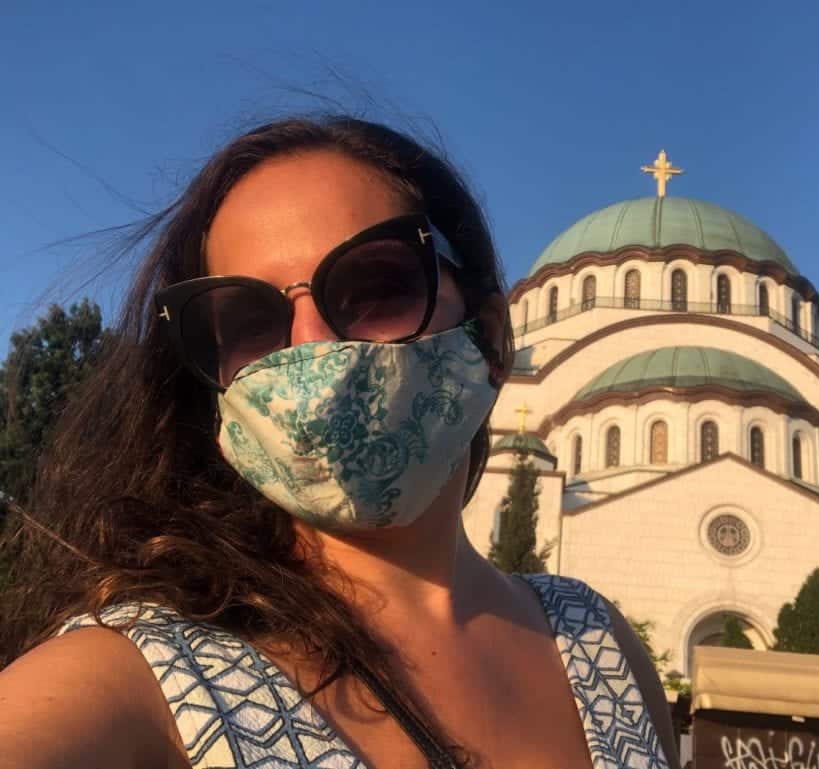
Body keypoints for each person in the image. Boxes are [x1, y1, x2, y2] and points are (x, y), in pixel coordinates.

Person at [0, 115, 680, 769]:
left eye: (374, 287)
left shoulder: (598, 645)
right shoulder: (137, 675)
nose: (312, 346)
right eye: (246, 319)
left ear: (491, 340)